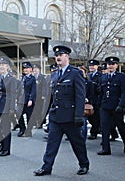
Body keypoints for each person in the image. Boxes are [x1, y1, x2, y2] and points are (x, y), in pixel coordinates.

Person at [34, 45, 89, 176]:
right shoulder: (54, 75)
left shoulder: (76, 73)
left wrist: (79, 116)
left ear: (67, 57)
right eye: (56, 55)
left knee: (78, 144)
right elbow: (51, 97)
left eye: (61, 55)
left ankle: (84, 164)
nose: (58, 57)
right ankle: (46, 167)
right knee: (51, 144)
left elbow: (80, 96)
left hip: (70, 117)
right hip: (55, 117)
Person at [97, 56, 125, 155]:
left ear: (117, 65)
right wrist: (99, 105)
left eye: (113, 64)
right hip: (105, 106)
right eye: (109, 64)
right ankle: (106, 148)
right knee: (104, 127)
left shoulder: (121, 77)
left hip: (116, 106)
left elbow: (123, 92)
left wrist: (121, 105)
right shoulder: (103, 77)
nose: (110, 66)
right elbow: (101, 92)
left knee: (121, 127)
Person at [0, 56, 17, 157]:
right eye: (0, 65)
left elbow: (13, 94)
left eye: (3, 65)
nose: (1, 67)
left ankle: (6, 149)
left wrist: (11, 108)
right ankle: (1, 142)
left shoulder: (11, 79)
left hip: (6, 104)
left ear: (8, 67)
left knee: (6, 128)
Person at [16, 61, 36, 137]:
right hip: (21, 100)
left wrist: (31, 99)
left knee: (29, 117)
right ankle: (22, 129)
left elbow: (33, 90)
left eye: (27, 68)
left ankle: (28, 131)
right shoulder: (22, 78)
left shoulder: (32, 79)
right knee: (18, 115)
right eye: (24, 68)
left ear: (31, 69)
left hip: (28, 100)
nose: (25, 69)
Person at [86, 59, 102, 140]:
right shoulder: (88, 75)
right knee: (90, 117)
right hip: (88, 100)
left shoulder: (100, 76)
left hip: (96, 100)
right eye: (90, 66)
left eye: (93, 66)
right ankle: (97, 129)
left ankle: (94, 132)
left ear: (97, 66)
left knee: (95, 118)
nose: (91, 67)